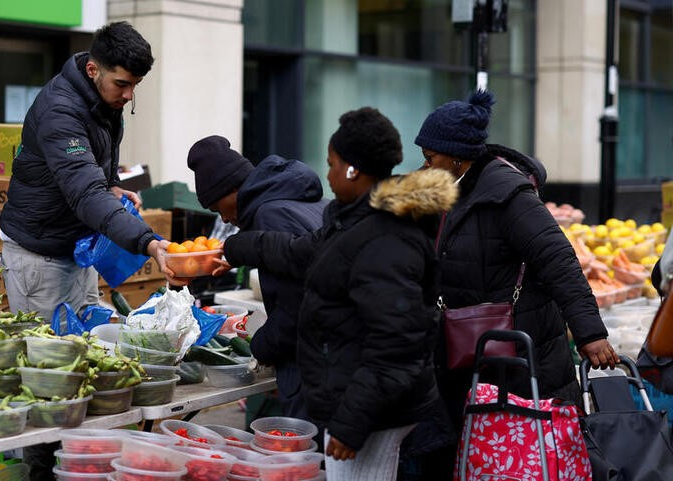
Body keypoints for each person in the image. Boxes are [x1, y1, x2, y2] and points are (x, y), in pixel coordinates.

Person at [214, 107, 458, 480]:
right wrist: (233, 251)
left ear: (352, 170)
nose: (326, 176)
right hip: (358, 402)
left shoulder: (387, 236)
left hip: (373, 413)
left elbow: (395, 345)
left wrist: (350, 423)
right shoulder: (354, 220)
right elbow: (301, 252)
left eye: (331, 164)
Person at [0, 21, 171, 481]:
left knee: (84, 365)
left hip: (75, 250)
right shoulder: (60, 110)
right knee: (51, 379)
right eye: (123, 84)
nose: (130, 94)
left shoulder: (100, 100)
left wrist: (113, 187)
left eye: (136, 85)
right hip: (38, 255)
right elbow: (81, 190)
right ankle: (43, 472)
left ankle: (78, 466)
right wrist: (147, 240)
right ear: (93, 69)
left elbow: (91, 181)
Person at [412, 89, 619, 476]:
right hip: (470, 353)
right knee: (479, 453)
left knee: (521, 457)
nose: (424, 165)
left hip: (522, 356)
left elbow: (560, 262)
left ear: (457, 157)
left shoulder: (510, 196)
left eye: (430, 157)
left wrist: (590, 333)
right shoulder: (449, 191)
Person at [180, 134, 327, 419]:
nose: (222, 219)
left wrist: (262, 346)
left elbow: (297, 306)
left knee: (312, 458)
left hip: (314, 366)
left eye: (216, 208)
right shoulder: (296, 199)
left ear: (231, 190)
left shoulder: (268, 213)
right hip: (332, 356)